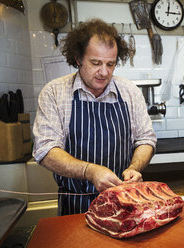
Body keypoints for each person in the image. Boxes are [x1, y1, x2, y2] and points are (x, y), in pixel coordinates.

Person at [32, 19, 157, 216]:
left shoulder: (129, 92)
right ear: (78, 58)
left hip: (123, 204)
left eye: (111, 64)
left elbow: (146, 139)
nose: (104, 72)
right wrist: (89, 171)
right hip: (76, 206)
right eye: (96, 63)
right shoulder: (54, 92)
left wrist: (134, 167)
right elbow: (45, 150)